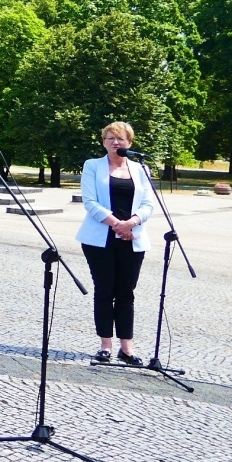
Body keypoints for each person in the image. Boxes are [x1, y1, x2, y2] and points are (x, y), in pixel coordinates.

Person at [75, 121, 156, 365]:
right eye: (110, 138)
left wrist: (131, 223)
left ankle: (127, 348)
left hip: (132, 238)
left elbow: (149, 204)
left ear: (130, 143)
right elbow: (89, 201)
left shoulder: (141, 169)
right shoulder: (93, 166)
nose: (115, 142)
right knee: (104, 290)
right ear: (103, 142)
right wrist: (116, 224)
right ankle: (105, 346)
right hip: (99, 239)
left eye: (120, 138)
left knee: (126, 293)